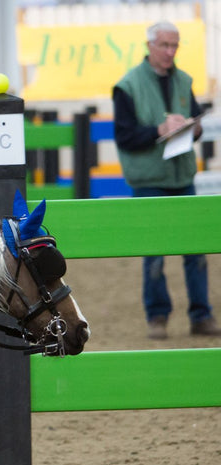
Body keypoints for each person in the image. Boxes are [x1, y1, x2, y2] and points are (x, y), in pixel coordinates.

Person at [113, 21, 218, 338]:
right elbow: (124, 136)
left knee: (196, 251)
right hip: (149, 179)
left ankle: (202, 316)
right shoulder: (127, 86)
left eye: (175, 45)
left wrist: (193, 127)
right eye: (165, 45)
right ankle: (157, 317)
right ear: (149, 45)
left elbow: (196, 120)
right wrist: (159, 131)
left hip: (182, 176)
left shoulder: (184, 81)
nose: (171, 52)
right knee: (154, 254)